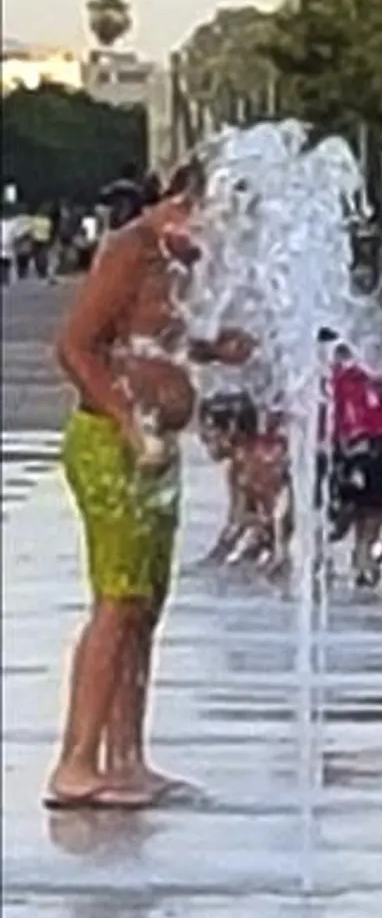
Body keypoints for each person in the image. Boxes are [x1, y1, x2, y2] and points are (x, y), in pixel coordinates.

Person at [44, 157, 255, 810]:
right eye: (221, 221)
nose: (226, 240)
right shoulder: (130, 248)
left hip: (155, 449)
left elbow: (152, 343)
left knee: (144, 606)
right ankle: (75, 763)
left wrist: (213, 349)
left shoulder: (179, 263)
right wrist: (128, 424)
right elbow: (75, 347)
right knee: (117, 599)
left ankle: (127, 758)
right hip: (113, 445)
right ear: (185, 203)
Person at [320, 327, 382, 591]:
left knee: (331, 524)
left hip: (359, 453)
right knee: (368, 515)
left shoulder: (323, 382)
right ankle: (365, 555)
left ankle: (336, 555)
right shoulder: (375, 381)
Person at [197, 391, 291, 574]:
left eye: (209, 431)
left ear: (232, 429)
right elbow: (237, 521)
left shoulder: (257, 461)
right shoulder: (239, 466)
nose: (203, 439)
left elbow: (279, 513)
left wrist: (278, 553)